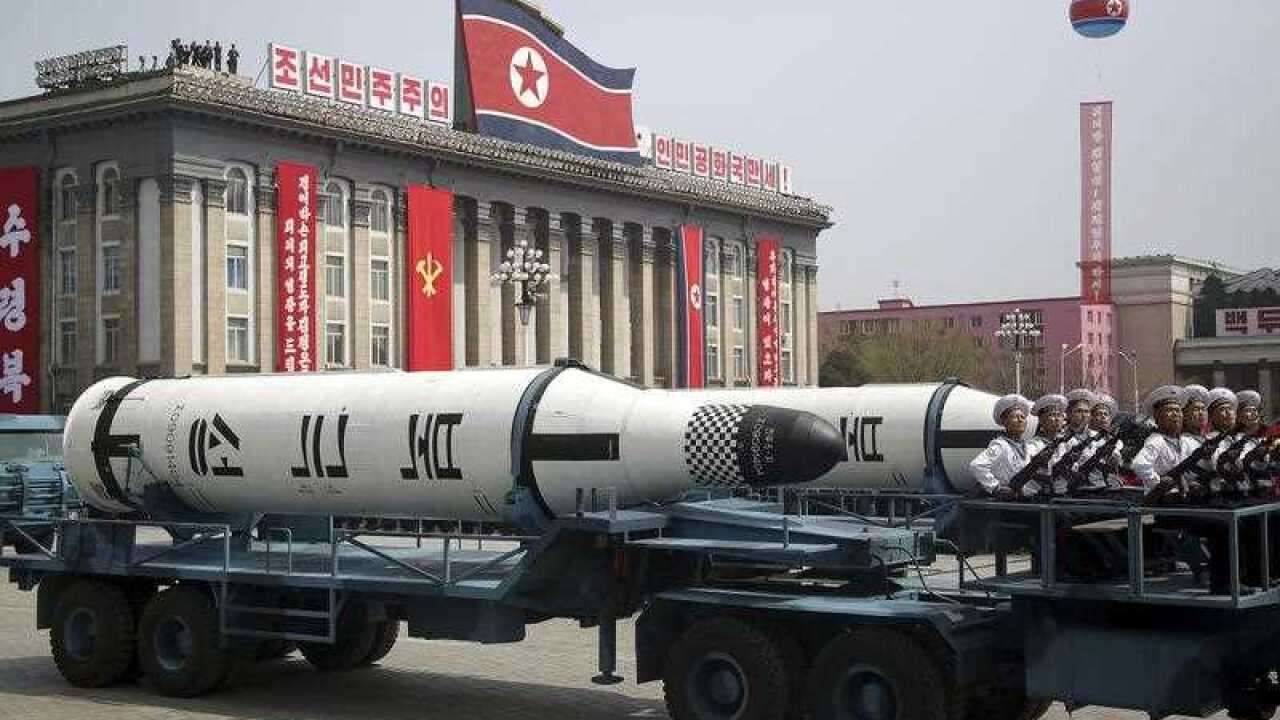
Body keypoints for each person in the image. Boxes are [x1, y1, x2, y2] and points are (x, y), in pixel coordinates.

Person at [969, 394, 1033, 498]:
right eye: (1015, 417)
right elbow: (977, 465)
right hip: (1007, 502)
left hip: (1023, 498)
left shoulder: (1027, 447)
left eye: (1023, 417)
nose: (1020, 420)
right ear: (1005, 422)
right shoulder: (1001, 445)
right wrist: (995, 487)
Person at [1024, 394, 1067, 497]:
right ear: (1042, 420)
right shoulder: (1032, 446)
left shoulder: (1065, 445)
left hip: (1064, 496)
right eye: (1052, 415)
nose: (1057, 419)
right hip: (1040, 497)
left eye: (1060, 415)